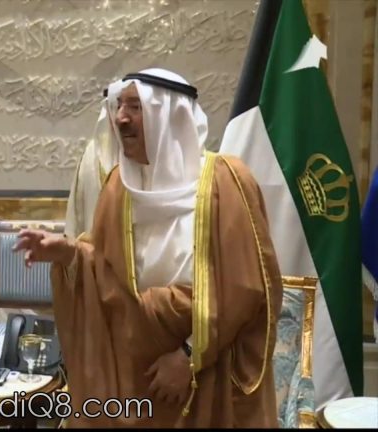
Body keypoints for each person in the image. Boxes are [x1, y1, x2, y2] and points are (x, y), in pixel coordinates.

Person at [15, 68, 283, 427]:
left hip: (208, 376)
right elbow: (108, 272)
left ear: (170, 115)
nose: (121, 118)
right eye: (118, 106)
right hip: (135, 375)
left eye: (135, 107)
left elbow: (244, 289)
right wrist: (68, 253)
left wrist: (189, 356)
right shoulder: (118, 188)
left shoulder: (226, 181)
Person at [64, 84, 123, 239]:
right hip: (93, 248)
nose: (121, 118)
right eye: (116, 108)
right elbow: (77, 210)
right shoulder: (93, 152)